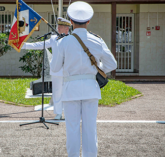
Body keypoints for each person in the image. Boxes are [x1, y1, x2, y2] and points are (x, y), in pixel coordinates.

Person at [50, 1, 117, 156]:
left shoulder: (63, 42)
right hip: (90, 88)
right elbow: (112, 64)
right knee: (90, 128)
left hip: (70, 90)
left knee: (72, 129)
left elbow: (54, 68)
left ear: (71, 22)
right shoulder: (97, 40)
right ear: (88, 21)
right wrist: (97, 70)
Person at [21, 17, 71, 120]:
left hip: (69, 71)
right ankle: (58, 113)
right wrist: (23, 45)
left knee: (69, 93)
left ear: (67, 29)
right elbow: (40, 45)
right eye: (58, 26)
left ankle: (69, 113)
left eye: (61, 27)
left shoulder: (72, 39)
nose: (58, 28)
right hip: (56, 70)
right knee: (57, 93)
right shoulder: (54, 38)